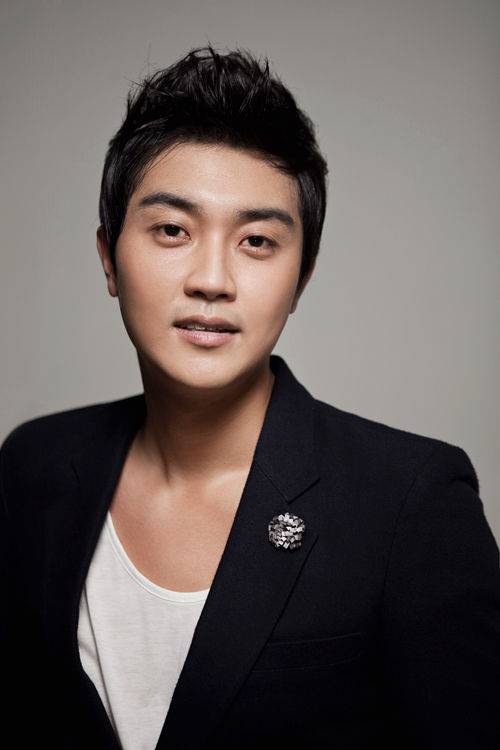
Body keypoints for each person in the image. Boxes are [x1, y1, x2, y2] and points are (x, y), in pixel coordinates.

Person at [1, 44, 499, 750]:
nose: (212, 279)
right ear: (109, 256)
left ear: (302, 276)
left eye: (258, 241)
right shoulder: (34, 467)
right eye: (172, 230)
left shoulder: (412, 503)